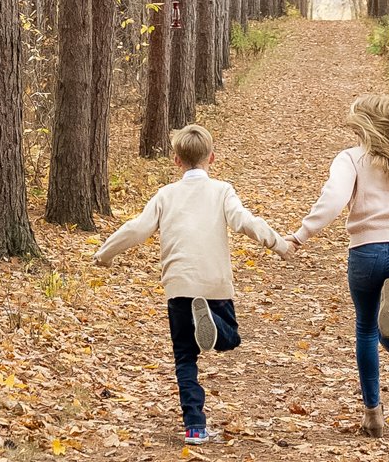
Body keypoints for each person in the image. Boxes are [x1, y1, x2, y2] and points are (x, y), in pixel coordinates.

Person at [92, 121, 287, 445]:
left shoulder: (165, 195)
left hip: (180, 285)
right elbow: (245, 222)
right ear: (212, 158)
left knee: (185, 358)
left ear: (176, 160)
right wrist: (278, 244)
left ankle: (194, 427)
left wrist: (104, 254)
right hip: (215, 283)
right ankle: (211, 322)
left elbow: (137, 229)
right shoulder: (222, 191)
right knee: (231, 339)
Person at [285, 89, 389, 437]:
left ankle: (372, 413)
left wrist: (300, 235)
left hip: (365, 252)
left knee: (364, 329)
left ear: (362, 126)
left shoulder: (350, 159)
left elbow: (333, 200)